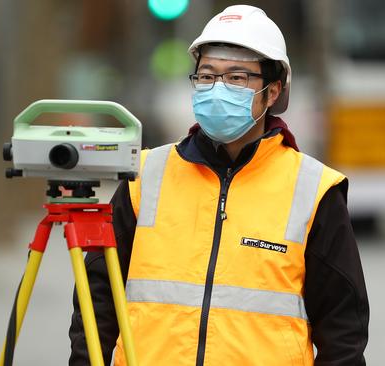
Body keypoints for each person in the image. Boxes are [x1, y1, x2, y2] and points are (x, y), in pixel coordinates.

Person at [69, 5, 369, 366]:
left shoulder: (314, 191)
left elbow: (343, 331)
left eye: (237, 78)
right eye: (207, 76)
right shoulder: (144, 177)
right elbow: (96, 301)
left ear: (272, 92)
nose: (217, 89)